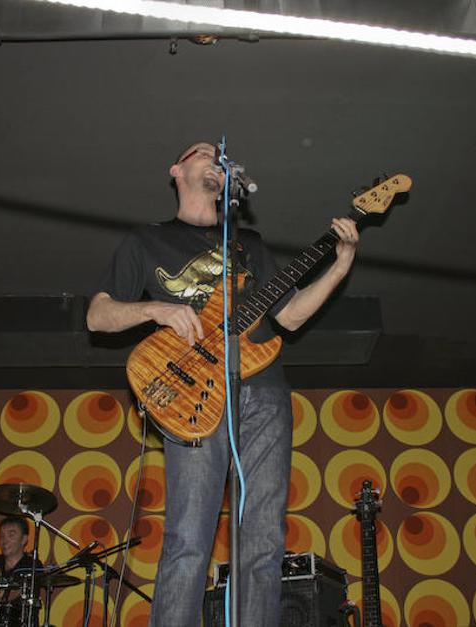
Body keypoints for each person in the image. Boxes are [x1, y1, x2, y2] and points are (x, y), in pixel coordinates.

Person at [86, 141, 359, 627]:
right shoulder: (146, 240)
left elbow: (290, 317)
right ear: (176, 170)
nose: (214, 158)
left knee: (264, 539)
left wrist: (340, 263)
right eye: (201, 152)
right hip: (189, 392)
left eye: (219, 155)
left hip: (264, 392)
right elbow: (97, 316)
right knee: (188, 537)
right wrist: (156, 308)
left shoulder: (248, 244)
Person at [0, 516, 46, 627]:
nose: (4, 540)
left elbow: (14, 594)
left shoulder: (32, 565)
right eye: (2, 536)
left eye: (11, 535)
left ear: (24, 540)